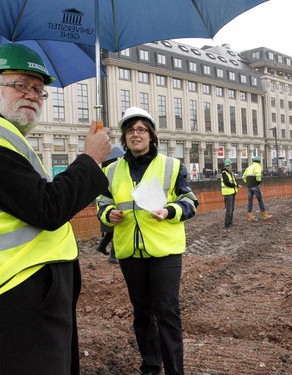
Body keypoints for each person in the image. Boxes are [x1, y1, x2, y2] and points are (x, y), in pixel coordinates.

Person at [0, 43, 111, 375]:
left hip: (14, 293)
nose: (32, 94)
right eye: (21, 85)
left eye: (39, 90)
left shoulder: (5, 138)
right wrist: (90, 160)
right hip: (6, 294)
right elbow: (47, 207)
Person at [97, 107, 198, 375]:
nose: (135, 134)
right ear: (125, 137)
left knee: (167, 312)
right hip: (130, 252)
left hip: (164, 251)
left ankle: (175, 370)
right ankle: (151, 367)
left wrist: (170, 211)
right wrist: (109, 214)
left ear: (151, 135)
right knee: (142, 313)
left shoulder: (172, 166)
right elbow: (103, 202)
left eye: (141, 129)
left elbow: (190, 201)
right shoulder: (111, 170)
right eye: (130, 130)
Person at [242, 156, 273, 221]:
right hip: (255, 186)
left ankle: (250, 214)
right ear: (259, 162)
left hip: (249, 186)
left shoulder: (248, 167)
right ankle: (264, 214)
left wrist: (247, 183)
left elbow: (243, 177)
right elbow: (258, 176)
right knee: (260, 200)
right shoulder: (258, 167)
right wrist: (258, 183)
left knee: (250, 201)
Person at [221, 159, 238, 231]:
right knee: (229, 209)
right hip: (228, 193)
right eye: (227, 165)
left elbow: (232, 181)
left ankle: (230, 222)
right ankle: (227, 224)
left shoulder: (230, 173)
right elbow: (226, 183)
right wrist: (234, 185)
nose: (228, 166)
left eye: (229, 165)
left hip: (232, 192)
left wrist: (236, 186)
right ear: (225, 166)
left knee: (232, 208)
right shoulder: (224, 173)